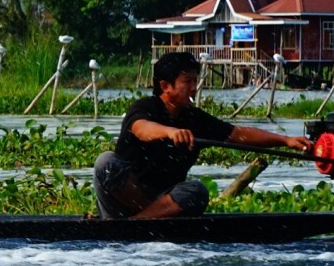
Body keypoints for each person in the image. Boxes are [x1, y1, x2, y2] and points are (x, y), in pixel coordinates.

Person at [94, 51, 312, 219]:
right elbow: (142, 129)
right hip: (123, 201)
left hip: (165, 204)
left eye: (194, 81)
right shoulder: (144, 107)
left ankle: (135, 223)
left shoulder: (195, 118)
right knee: (106, 162)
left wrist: (285, 140)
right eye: (187, 81)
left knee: (196, 190)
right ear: (165, 86)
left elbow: (237, 134)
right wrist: (170, 132)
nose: (193, 88)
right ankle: (135, 220)